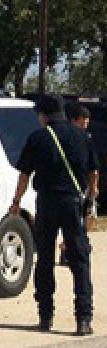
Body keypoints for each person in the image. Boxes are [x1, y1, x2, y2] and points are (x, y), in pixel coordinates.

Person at [10, 93, 94, 335]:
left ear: (44, 115)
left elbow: (24, 174)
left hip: (47, 203)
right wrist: (88, 199)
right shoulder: (81, 136)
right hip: (72, 203)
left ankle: (45, 317)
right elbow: (94, 172)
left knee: (45, 260)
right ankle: (83, 319)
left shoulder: (37, 138)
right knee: (80, 261)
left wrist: (16, 202)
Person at [60, 102, 100, 265]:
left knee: (82, 220)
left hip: (76, 188)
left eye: (87, 123)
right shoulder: (83, 140)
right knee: (77, 223)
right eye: (83, 122)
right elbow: (94, 169)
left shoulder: (64, 138)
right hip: (77, 189)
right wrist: (93, 188)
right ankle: (70, 250)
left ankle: (71, 249)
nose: (85, 126)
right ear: (74, 120)